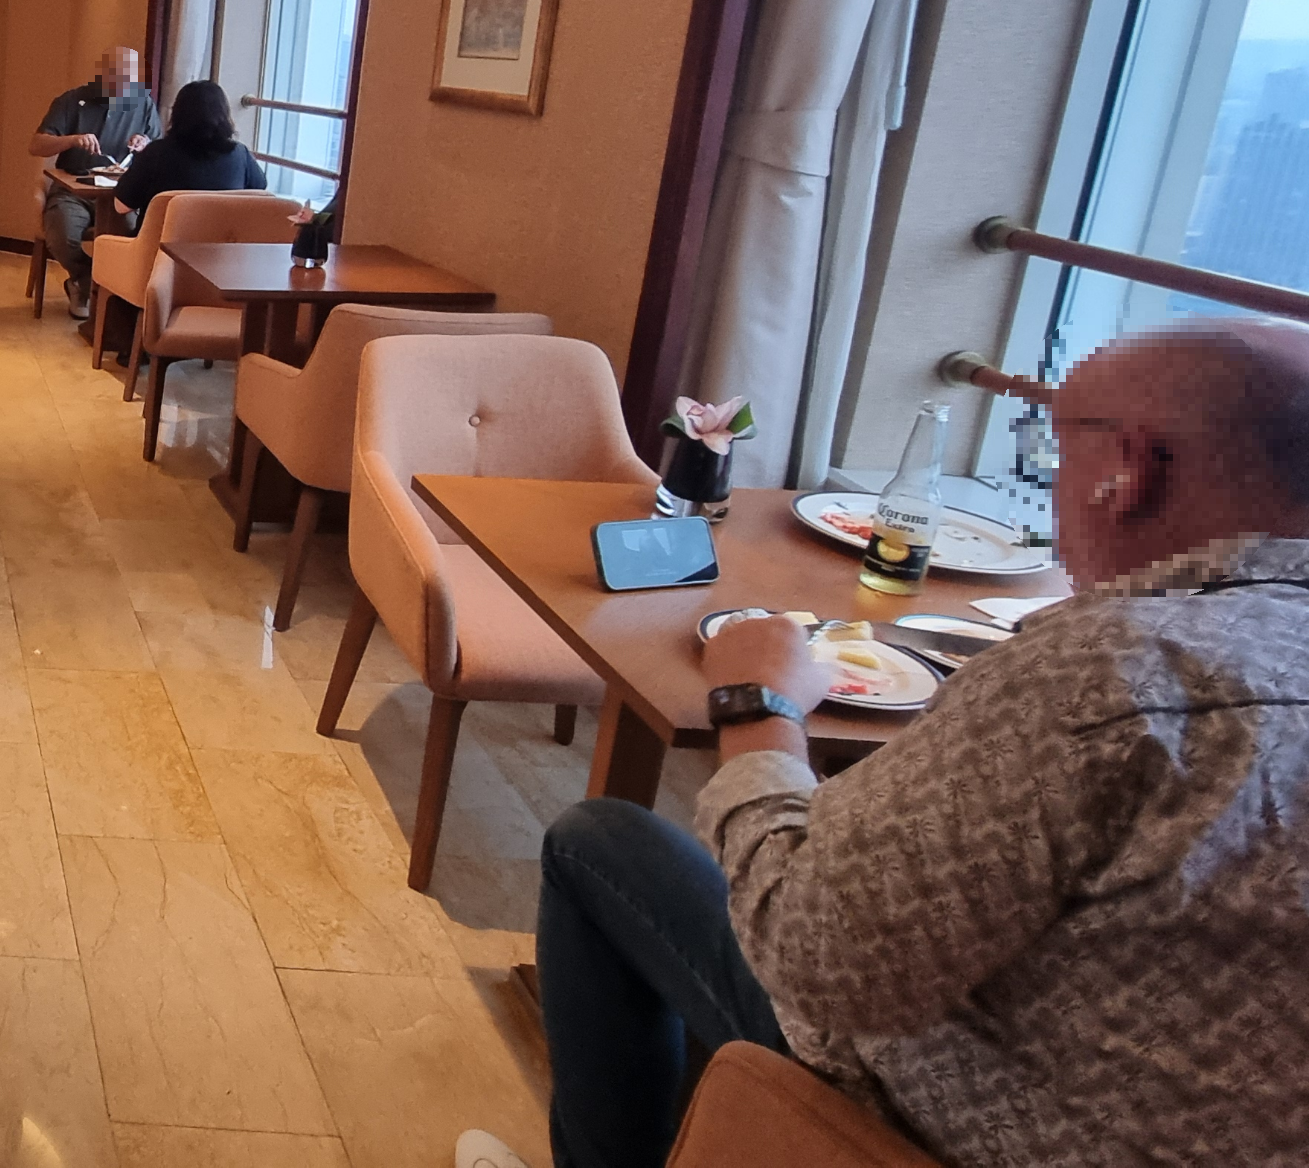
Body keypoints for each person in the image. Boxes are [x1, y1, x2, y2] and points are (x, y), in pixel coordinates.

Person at [457, 318, 1309, 1168]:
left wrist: (757, 704)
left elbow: (810, 957)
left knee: (597, 841)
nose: (1051, 489)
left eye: (1057, 451)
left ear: (1128, 468)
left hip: (937, 1124)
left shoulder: (1109, 673)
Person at [27, 46, 161, 318]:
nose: (124, 87)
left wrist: (145, 143)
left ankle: (107, 292)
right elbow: (36, 145)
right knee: (63, 235)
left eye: (130, 79)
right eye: (118, 78)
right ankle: (88, 280)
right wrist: (72, 140)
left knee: (135, 237)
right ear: (103, 74)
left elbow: (159, 148)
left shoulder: (143, 103)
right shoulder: (72, 101)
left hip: (120, 195)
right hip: (73, 190)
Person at [110, 79, 265, 222]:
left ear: (176, 113)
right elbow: (260, 192)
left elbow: (121, 206)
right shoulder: (240, 154)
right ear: (224, 114)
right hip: (220, 242)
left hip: (159, 242)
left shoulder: (156, 153)